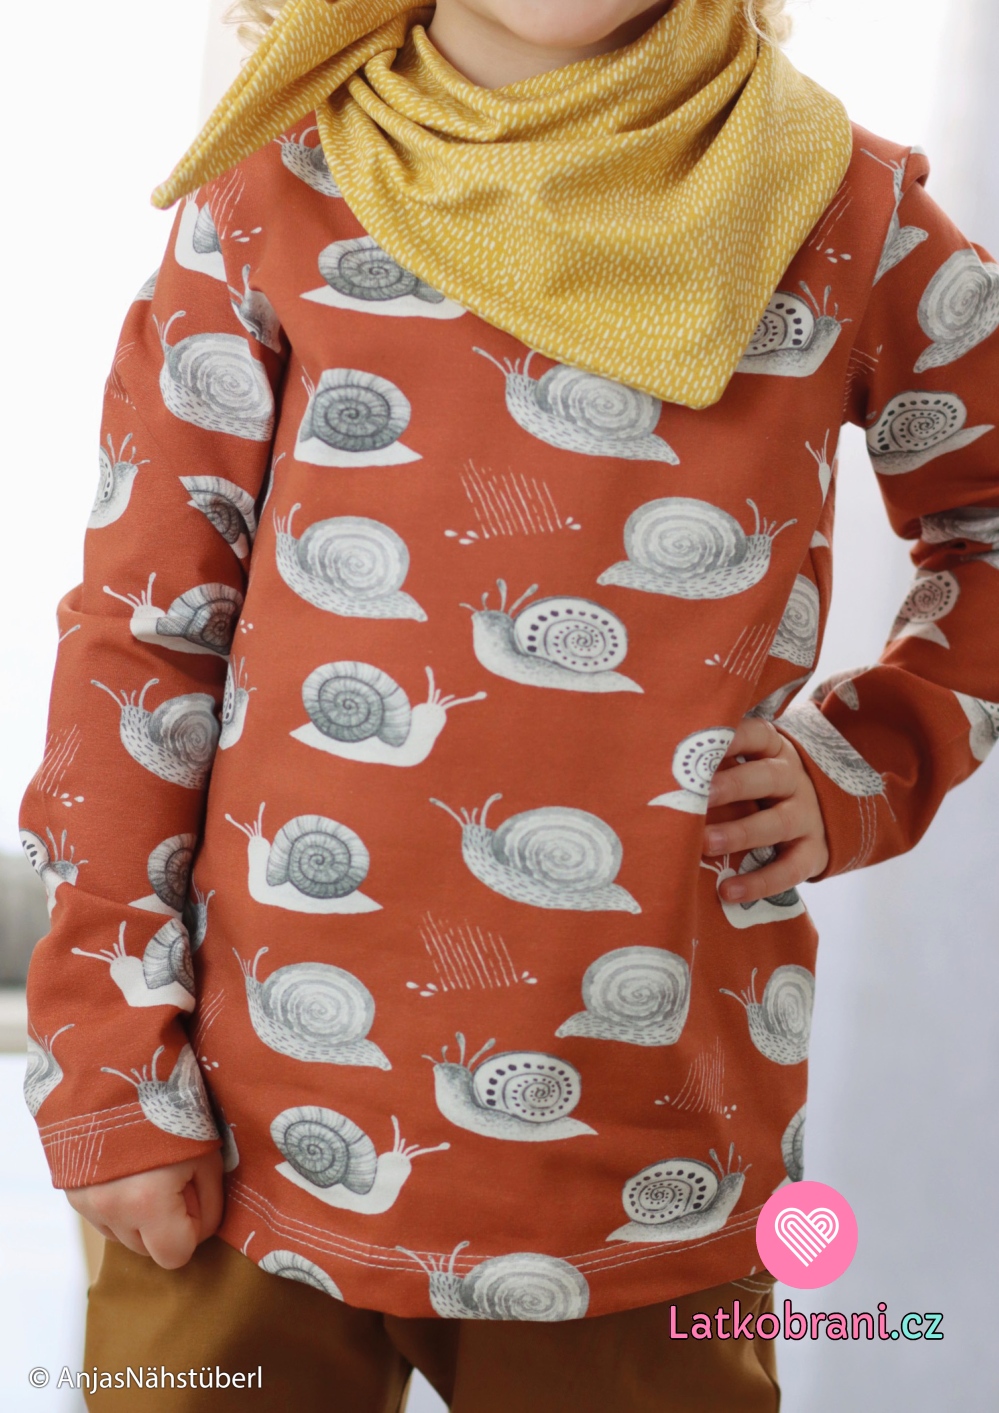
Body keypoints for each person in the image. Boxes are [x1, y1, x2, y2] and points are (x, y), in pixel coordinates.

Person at [19, 0, 999, 1407]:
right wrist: (108, 1051)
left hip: (641, 1170)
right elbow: (143, 641)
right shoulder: (273, 185)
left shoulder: (843, 212)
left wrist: (873, 754)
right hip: (235, 1137)